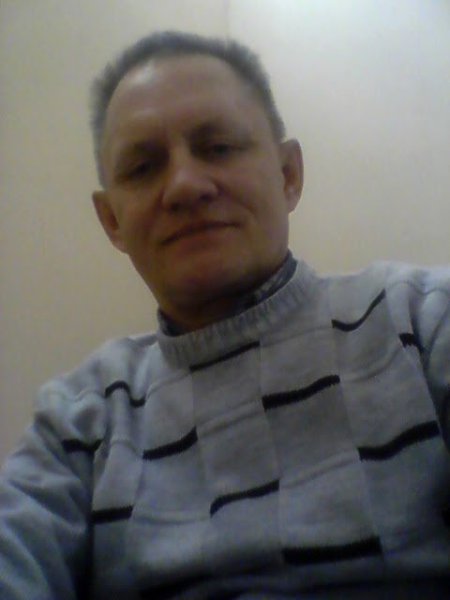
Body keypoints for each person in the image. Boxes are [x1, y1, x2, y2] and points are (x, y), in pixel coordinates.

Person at [0, 31, 449, 600]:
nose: (185, 185)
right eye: (143, 167)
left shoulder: (423, 321)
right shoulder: (80, 417)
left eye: (218, 147)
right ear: (112, 220)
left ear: (288, 174)